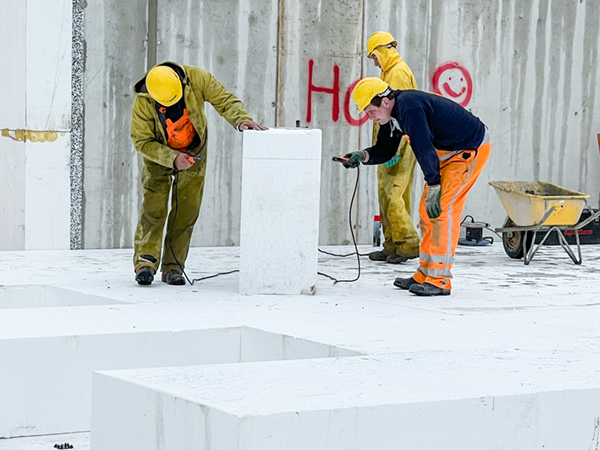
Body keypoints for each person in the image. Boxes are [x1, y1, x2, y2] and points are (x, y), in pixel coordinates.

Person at [344, 78, 491, 296]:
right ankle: (425, 273)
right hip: (448, 156)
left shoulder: (410, 107)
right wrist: (363, 156)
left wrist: (434, 185)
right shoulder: (392, 117)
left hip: (467, 151)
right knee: (426, 212)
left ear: (385, 101)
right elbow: (386, 149)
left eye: (370, 111)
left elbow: (423, 148)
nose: (370, 117)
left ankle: (440, 280)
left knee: (442, 211)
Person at [130, 62, 266, 286]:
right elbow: (142, 141)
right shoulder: (144, 101)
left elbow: (223, 99)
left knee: (186, 210)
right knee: (153, 209)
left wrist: (240, 119)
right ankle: (146, 261)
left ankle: (173, 267)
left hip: (193, 153)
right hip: (159, 157)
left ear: (181, 84)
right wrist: (171, 158)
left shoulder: (197, 78)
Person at [365, 31, 420, 265]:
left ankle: (407, 244)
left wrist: (391, 150)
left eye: (375, 56)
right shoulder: (389, 71)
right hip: (392, 141)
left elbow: (394, 117)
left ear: (384, 50)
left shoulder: (397, 73)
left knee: (393, 193)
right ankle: (392, 244)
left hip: (398, 143)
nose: (375, 62)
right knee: (387, 193)